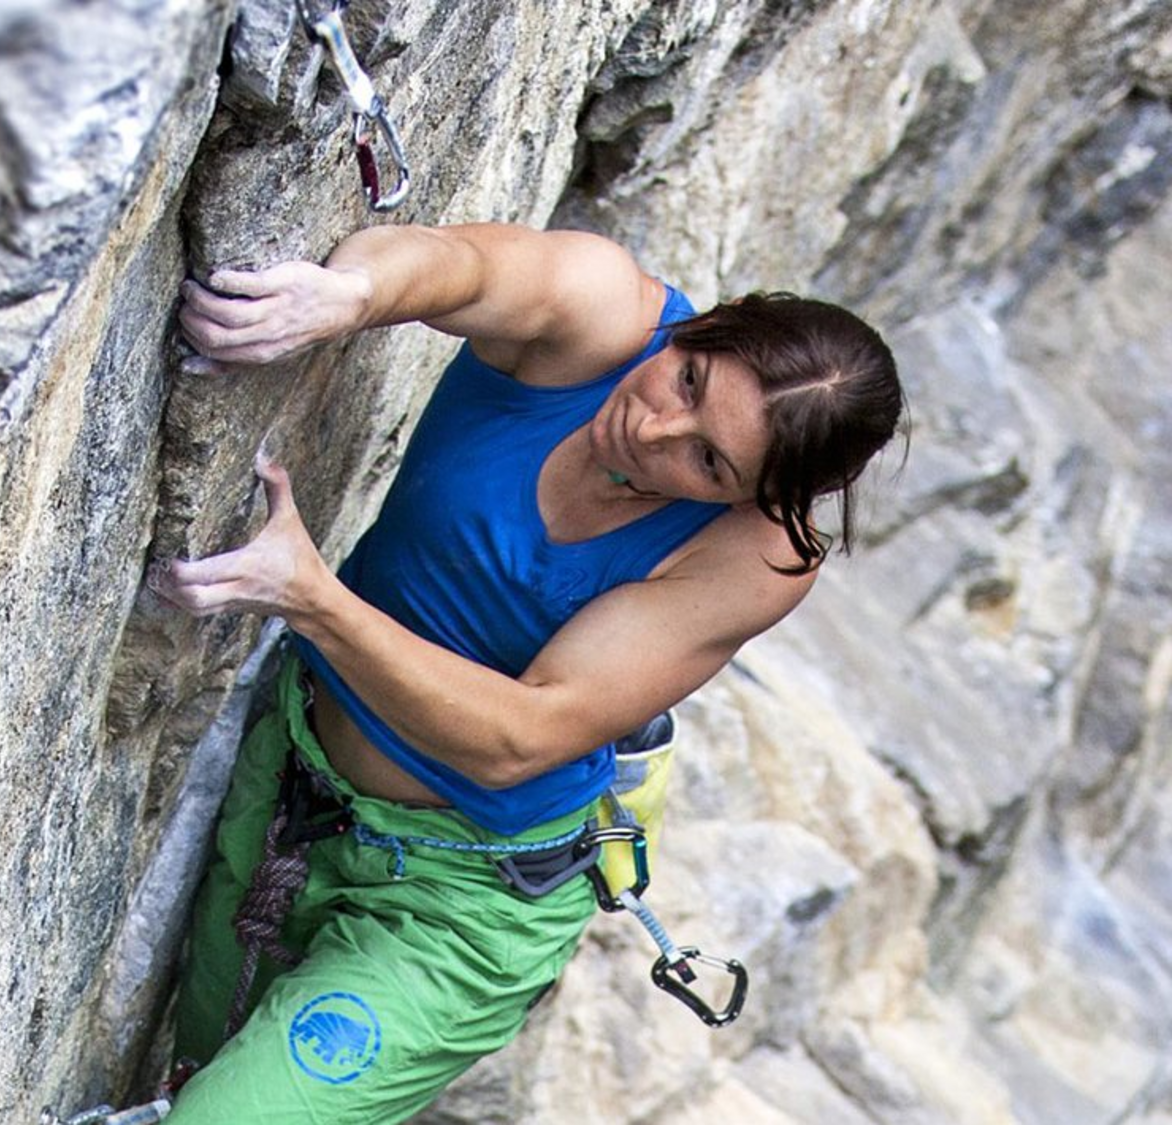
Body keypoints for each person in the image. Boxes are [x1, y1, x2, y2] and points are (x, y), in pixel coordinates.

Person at [146, 222, 903, 1123]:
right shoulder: (600, 311)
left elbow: (522, 736)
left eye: (707, 459)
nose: (655, 424)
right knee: (189, 1084)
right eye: (690, 380)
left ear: (753, 498)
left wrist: (311, 598)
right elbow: (456, 268)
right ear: (706, 327)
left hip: (461, 903)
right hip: (294, 795)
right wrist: (345, 296)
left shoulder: (755, 557)